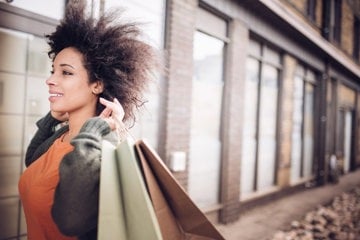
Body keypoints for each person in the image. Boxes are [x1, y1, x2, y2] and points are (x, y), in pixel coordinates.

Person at [18, 0, 159, 239]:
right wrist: (52, 119)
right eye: (53, 70)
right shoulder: (63, 136)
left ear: (97, 84)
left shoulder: (100, 149)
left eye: (66, 72)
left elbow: (71, 220)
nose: (50, 80)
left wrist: (95, 129)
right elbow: (33, 162)